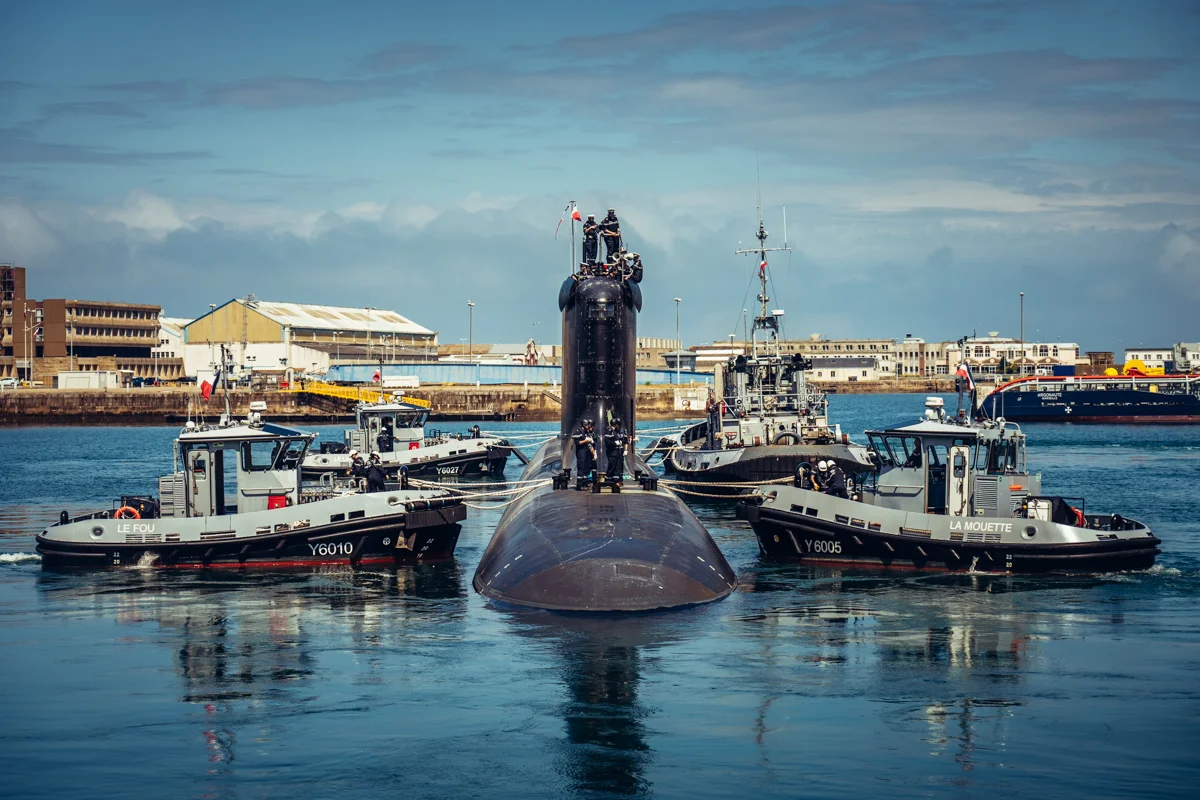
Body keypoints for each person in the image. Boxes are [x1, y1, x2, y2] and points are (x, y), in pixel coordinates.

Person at [604, 417, 630, 485]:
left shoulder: (623, 430)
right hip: (612, 451)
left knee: (619, 466)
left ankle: (617, 480)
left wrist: (626, 450)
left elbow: (626, 441)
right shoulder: (609, 431)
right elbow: (607, 441)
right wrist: (615, 443)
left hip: (619, 450)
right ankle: (608, 480)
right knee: (612, 465)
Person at [572, 418, 597, 488]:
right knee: (581, 468)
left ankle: (585, 483)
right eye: (587, 425)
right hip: (581, 453)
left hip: (587, 452)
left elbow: (590, 444)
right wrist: (586, 440)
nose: (588, 426)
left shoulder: (587, 432)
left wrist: (594, 453)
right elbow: (577, 443)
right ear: (583, 425)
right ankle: (580, 485)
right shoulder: (578, 432)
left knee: (586, 468)